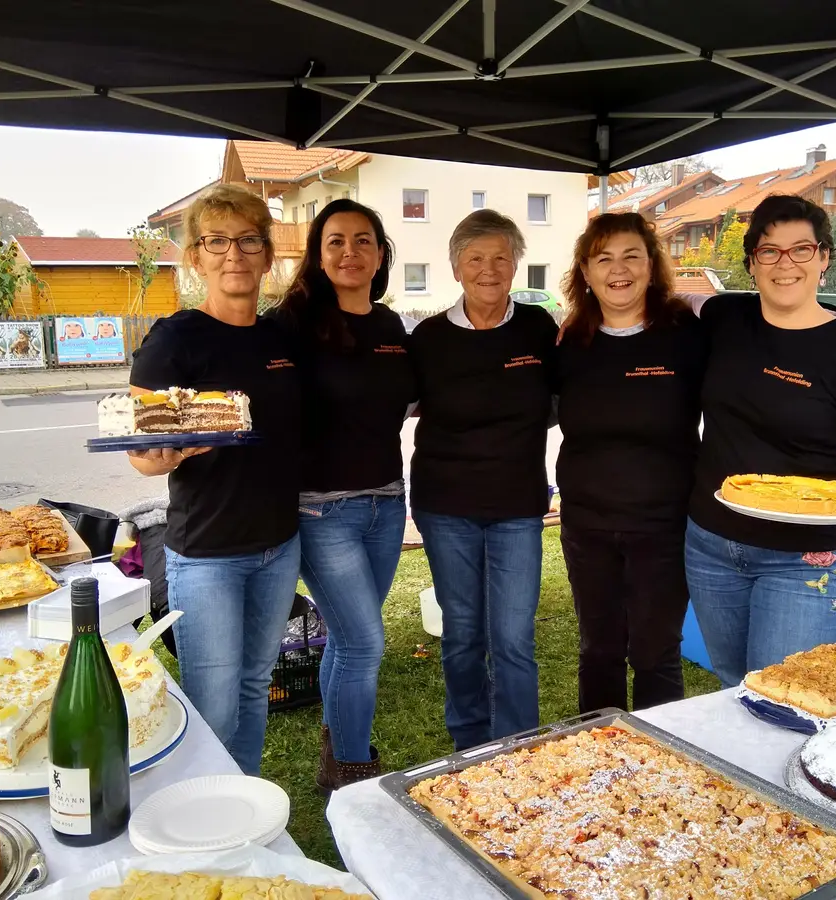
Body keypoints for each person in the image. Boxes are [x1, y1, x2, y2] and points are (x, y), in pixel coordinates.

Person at [685, 194, 836, 688]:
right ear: (752, 263)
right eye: (770, 251)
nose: (785, 264)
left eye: (801, 249)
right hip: (711, 546)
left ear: (824, 257)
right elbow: (670, 300)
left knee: (786, 696)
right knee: (732, 686)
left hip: (808, 557)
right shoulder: (726, 317)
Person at [124, 184, 302, 776]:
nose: (235, 254)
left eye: (249, 240)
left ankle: (239, 802)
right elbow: (141, 454)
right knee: (213, 705)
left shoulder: (282, 338)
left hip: (278, 546)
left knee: (255, 688)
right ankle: (200, 817)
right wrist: (166, 456)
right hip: (208, 555)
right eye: (217, 241)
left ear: (267, 254)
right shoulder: (175, 339)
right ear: (195, 258)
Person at [273, 200, 416, 791]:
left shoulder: (389, 326)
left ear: (381, 254)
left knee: (351, 636)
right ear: (318, 253)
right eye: (336, 241)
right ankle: (354, 773)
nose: (350, 252)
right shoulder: (293, 322)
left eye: (364, 240)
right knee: (363, 642)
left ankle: (336, 748)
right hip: (321, 509)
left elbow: (407, 400)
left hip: (387, 504)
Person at [408, 209, 557, 750]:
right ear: (455, 267)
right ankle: (469, 745)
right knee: (463, 632)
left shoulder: (540, 328)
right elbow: (386, 406)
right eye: (475, 258)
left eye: (500, 257)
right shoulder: (427, 337)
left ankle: (518, 749)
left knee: (514, 637)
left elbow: (574, 396)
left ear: (516, 264)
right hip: (445, 506)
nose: (488, 269)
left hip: (517, 505)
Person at [555, 213, 705, 714]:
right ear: (585, 270)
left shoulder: (685, 334)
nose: (618, 270)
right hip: (587, 525)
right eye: (604, 259)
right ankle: (599, 753)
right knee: (598, 651)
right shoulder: (569, 343)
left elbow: (744, 398)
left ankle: (662, 762)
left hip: (663, 525)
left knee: (655, 652)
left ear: (651, 265)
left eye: (631, 256)